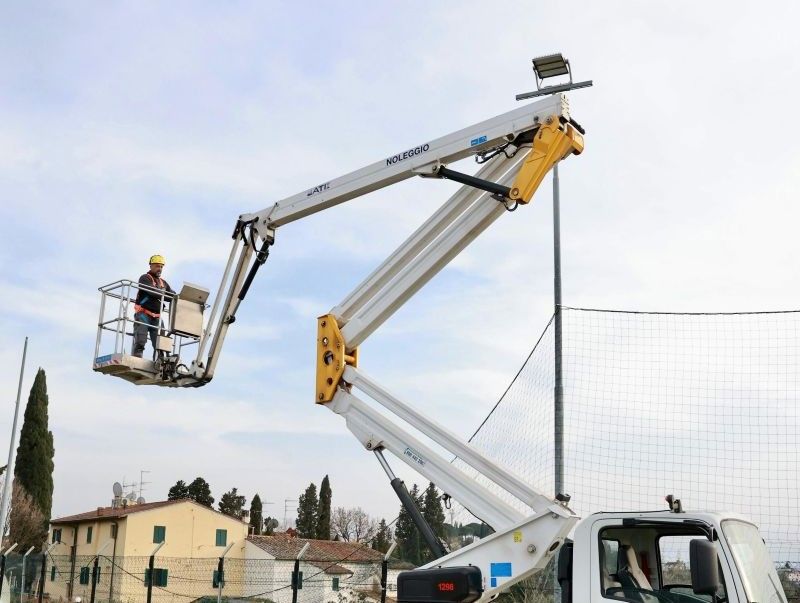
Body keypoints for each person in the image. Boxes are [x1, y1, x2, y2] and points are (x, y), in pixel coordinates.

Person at [132, 254, 175, 359]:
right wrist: (163, 293)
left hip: (157, 316)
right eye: (157, 266)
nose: (159, 268)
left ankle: (159, 360)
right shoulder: (145, 278)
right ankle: (137, 356)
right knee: (141, 338)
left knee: (161, 342)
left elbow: (172, 296)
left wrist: (179, 297)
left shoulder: (163, 283)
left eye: (161, 266)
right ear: (150, 266)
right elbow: (152, 292)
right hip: (144, 313)